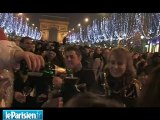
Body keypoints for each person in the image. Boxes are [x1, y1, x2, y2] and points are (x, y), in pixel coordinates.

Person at [0, 28, 45, 107]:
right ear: (20, 44)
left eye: (31, 43)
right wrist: (17, 54)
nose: (30, 45)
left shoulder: (32, 57)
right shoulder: (22, 56)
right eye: (27, 43)